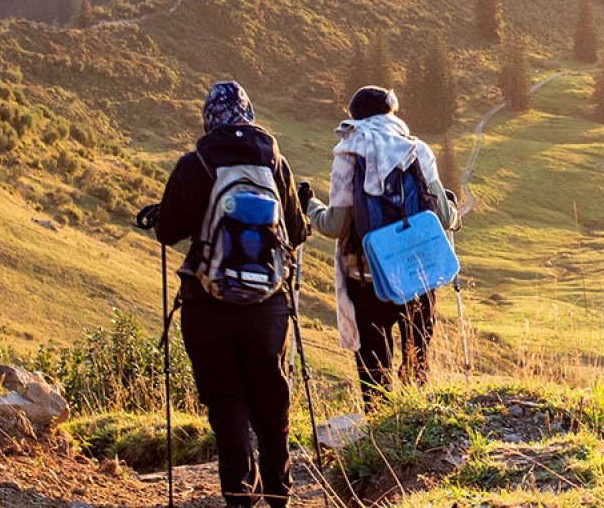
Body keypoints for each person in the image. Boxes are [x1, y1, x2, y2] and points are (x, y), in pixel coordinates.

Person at [155, 82, 307, 508]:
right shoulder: (275, 161)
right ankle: (280, 489)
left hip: (207, 304)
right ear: (248, 114)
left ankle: (239, 493)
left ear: (209, 118)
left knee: (227, 399)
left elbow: (168, 231)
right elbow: (295, 233)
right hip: (268, 305)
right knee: (271, 393)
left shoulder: (194, 163)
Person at [304, 86, 459, 410]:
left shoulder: (348, 153)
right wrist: (452, 208)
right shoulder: (417, 149)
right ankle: (419, 430)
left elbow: (334, 225)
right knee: (418, 363)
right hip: (418, 276)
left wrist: (310, 206)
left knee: (374, 370)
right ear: (392, 113)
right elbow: (442, 217)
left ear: (355, 118)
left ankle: (380, 433)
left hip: (367, 277)